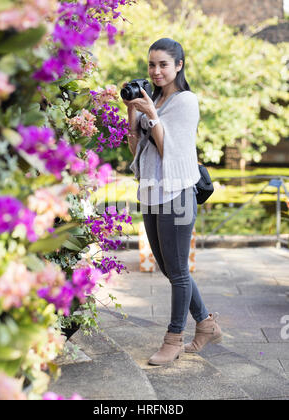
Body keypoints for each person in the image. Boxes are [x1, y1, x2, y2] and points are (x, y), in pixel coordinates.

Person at [122, 38, 222, 366]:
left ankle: (173, 339)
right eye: (152, 65)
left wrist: (151, 112)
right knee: (167, 266)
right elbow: (135, 149)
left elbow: (172, 153)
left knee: (178, 270)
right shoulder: (154, 99)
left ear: (178, 65)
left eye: (163, 64)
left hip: (176, 193)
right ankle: (206, 324)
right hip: (151, 192)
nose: (156, 71)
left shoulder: (185, 101)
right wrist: (132, 110)